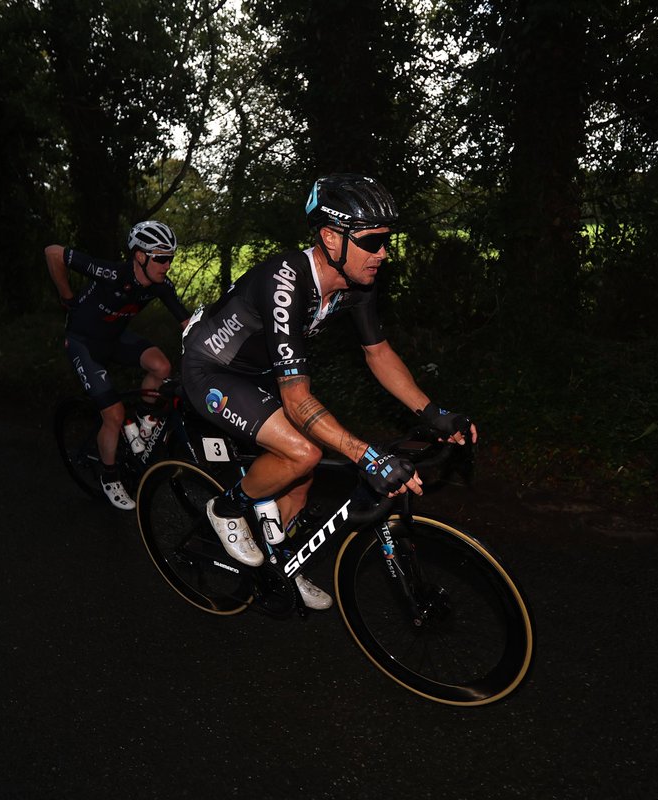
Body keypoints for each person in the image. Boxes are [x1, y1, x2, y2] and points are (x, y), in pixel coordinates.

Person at [179, 174, 476, 610]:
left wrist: (433, 412)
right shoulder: (285, 282)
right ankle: (226, 508)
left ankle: (281, 564)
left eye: (386, 241)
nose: (383, 254)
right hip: (212, 369)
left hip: (262, 372)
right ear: (330, 238)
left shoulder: (358, 285)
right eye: (372, 242)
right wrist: (368, 456)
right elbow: (299, 401)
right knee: (303, 452)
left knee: (301, 479)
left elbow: (378, 354)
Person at [46, 220, 191, 511]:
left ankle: (145, 420)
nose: (168, 265)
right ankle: (109, 474)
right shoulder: (112, 273)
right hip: (83, 343)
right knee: (113, 414)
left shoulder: (161, 286)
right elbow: (53, 252)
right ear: (140, 256)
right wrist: (66, 297)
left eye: (171, 258)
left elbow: (188, 323)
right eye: (162, 258)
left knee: (161, 367)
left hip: (115, 337)